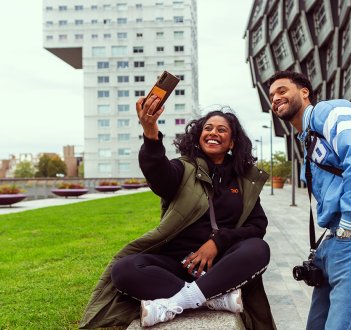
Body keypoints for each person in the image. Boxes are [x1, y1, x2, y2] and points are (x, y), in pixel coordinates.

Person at [79, 94, 277, 330]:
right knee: (124, 269)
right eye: (208, 128)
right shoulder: (182, 168)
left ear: (232, 142)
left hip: (221, 266)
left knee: (257, 248)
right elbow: (158, 173)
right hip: (175, 265)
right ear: (198, 136)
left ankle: (180, 301)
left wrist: (218, 242)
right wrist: (151, 133)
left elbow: (257, 226)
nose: (213, 133)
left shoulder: (243, 181)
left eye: (222, 130)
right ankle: (212, 299)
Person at [267, 70, 351, 329]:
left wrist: (349, 219)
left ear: (304, 92)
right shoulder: (307, 137)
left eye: (282, 90)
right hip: (339, 239)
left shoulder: (331, 111)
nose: (275, 98)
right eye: (271, 95)